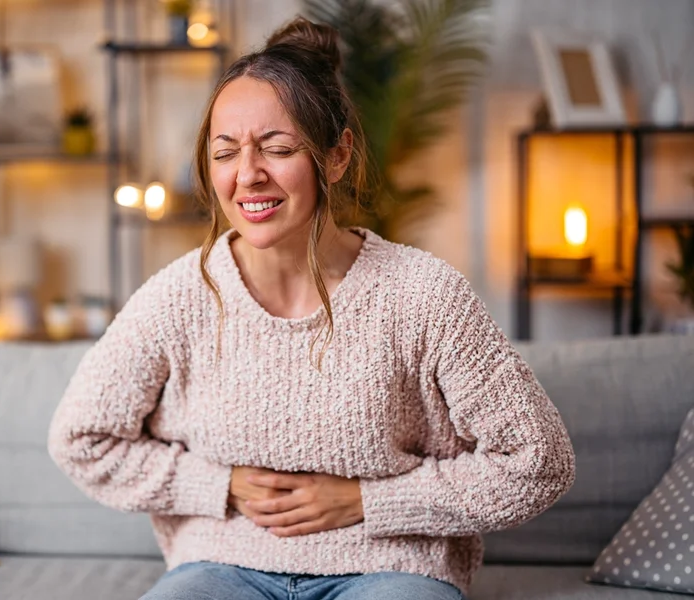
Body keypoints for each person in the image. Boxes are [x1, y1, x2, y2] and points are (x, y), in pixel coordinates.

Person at [48, 16, 576, 600]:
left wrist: (367, 501)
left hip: (392, 569)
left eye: (277, 148)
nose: (248, 175)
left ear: (336, 155)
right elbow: (82, 438)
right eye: (225, 153)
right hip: (221, 566)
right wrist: (219, 485)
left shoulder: (424, 295)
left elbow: (539, 461)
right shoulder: (179, 297)